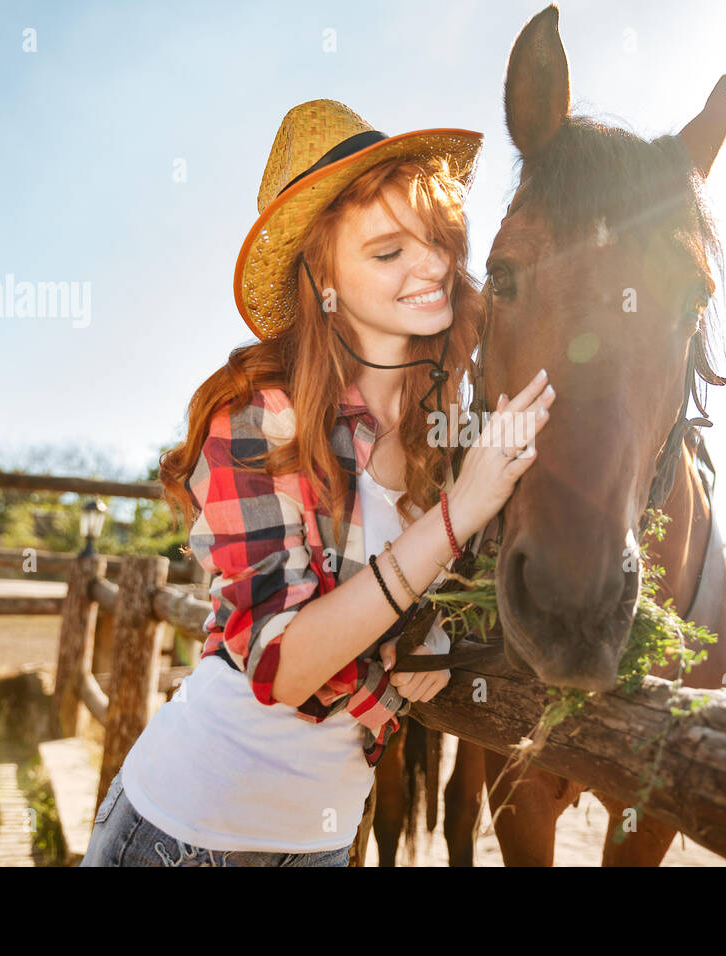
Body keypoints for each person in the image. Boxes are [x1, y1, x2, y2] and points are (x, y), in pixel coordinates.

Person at [80, 99, 557, 867]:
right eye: (387, 251)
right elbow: (280, 667)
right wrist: (457, 518)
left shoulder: (444, 440)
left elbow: (422, 624)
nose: (431, 267)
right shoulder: (257, 418)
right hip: (183, 836)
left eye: (436, 241)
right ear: (322, 276)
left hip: (324, 845)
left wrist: (428, 639)